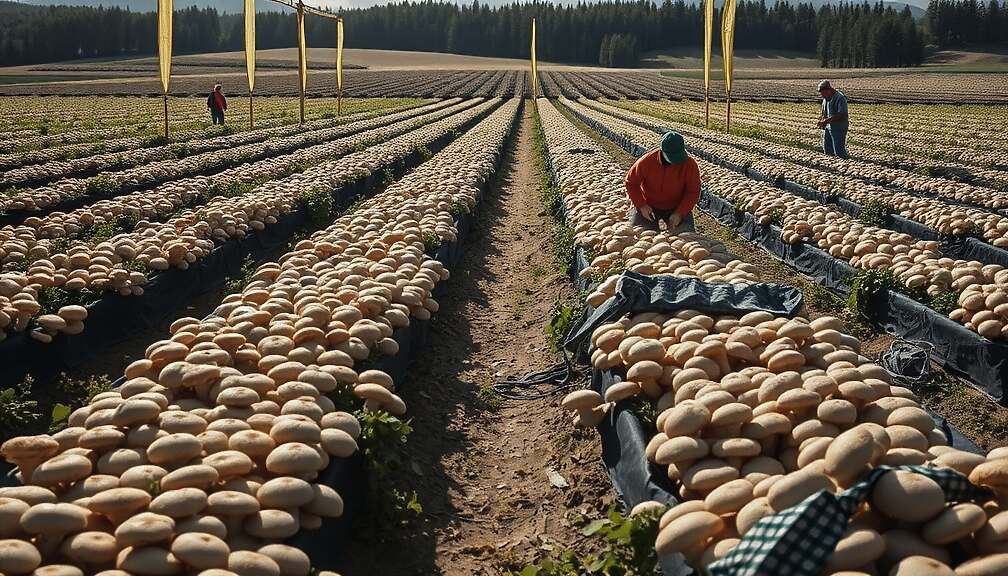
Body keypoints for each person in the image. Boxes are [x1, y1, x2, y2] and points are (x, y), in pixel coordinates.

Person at [624, 131, 701, 234]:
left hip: (676, 206)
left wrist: (680, 213)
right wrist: (641, 205)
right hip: (650, 205)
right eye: (672, 156)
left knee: (685, 234)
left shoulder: (689, 165)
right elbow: (631, 183)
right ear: (662, 151)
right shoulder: (646, 162)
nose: (676, 161)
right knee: (640, 234)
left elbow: (693, 192)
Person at [817, 80, 849, 159]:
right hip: (828, 127)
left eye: (824, 93)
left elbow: (841, 114)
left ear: (829, 90)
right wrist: (822, 120)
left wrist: (826, 121)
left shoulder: (840, 98)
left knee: (839, 151)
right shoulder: (826, 98)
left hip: (839, 127)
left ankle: (846, 163)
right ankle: (831, 163)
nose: (823, 96)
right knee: (827, 149)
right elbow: (824, 112)